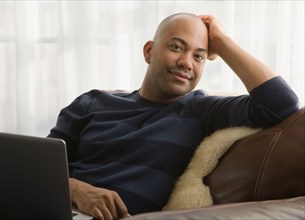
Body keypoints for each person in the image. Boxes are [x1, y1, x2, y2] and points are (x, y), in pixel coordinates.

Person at [48, 13, 299, 219]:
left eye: (199, 55)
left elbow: (280, 102)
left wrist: (222, 42)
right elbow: (39, 168)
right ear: (149, 51)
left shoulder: (201, 110)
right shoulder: (91, 102)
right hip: (52, 208)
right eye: (177, 47)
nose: (187, 62)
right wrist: (76, 190)